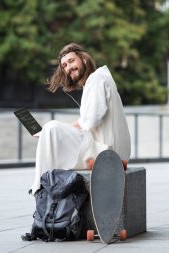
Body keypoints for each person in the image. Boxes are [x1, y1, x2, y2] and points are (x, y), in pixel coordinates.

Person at [30, 43, 131, 195]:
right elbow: (90, 118)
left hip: (106, 152)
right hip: (108, 149)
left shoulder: (96, 79)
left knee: (51, 128)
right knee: (52, 132)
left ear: (83, 59)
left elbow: (90, 121)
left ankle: (40, 186)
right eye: (64, 65)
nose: (68, 67)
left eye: (71, 61)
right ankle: (46, 181)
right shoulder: (100, 78)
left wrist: (58, 130)